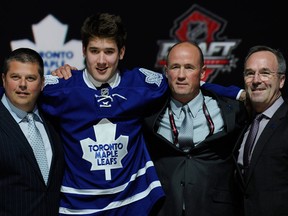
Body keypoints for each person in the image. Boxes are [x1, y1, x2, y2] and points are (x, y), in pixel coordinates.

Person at [39, 12, 168, 215]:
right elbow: (12, 90)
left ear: (122, 52)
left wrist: (237, 92)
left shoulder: (141, 85)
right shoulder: (61, 89)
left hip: (132, 203)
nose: (101, 60)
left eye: (109, 51)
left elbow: (188, 84)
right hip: (77, 206)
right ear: (83, 51)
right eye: (94, 51)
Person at [142, 41, 248, 216]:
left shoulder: (232, 110)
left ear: (203, 72)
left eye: (189, 67)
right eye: (175, 67)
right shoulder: (148, 114)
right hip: (164, 209)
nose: (181, 75)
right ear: (166, 72)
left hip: (216, 209)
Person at [0, 47, 65, 215]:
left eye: (30, 78)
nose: (22, 84)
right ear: (3, 79)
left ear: (42, 83)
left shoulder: (54, 118)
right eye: (15, 77)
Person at [233, 45, 288, 216]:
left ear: (281, 80)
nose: (256, 80)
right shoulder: (243, 124)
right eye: (250, 73)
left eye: (265, 73)